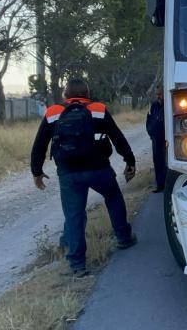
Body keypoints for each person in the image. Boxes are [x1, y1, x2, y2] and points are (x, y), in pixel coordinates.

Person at [31, 78, 137, 278]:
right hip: (99, 169)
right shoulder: (99, 108)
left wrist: (36, 171)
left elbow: (39, 145)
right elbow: (117, 137)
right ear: (87, 93)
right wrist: (129, 161)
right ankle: (123, 237)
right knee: (113, 197)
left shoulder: (53, 112)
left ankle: (78, 265)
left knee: (74, 215)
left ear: (65, 94)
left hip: (69, 173)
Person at [146, 84, 167, 193]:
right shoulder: (153, 105)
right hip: (156, 139)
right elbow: (148, 120)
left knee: (166, 161)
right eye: (157, 94)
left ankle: (168, 185)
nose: (158, 96)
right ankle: (160, 185)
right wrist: (151, 133)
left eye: (160, 94)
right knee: (157, 161)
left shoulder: (169, 105)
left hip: (166, 139)